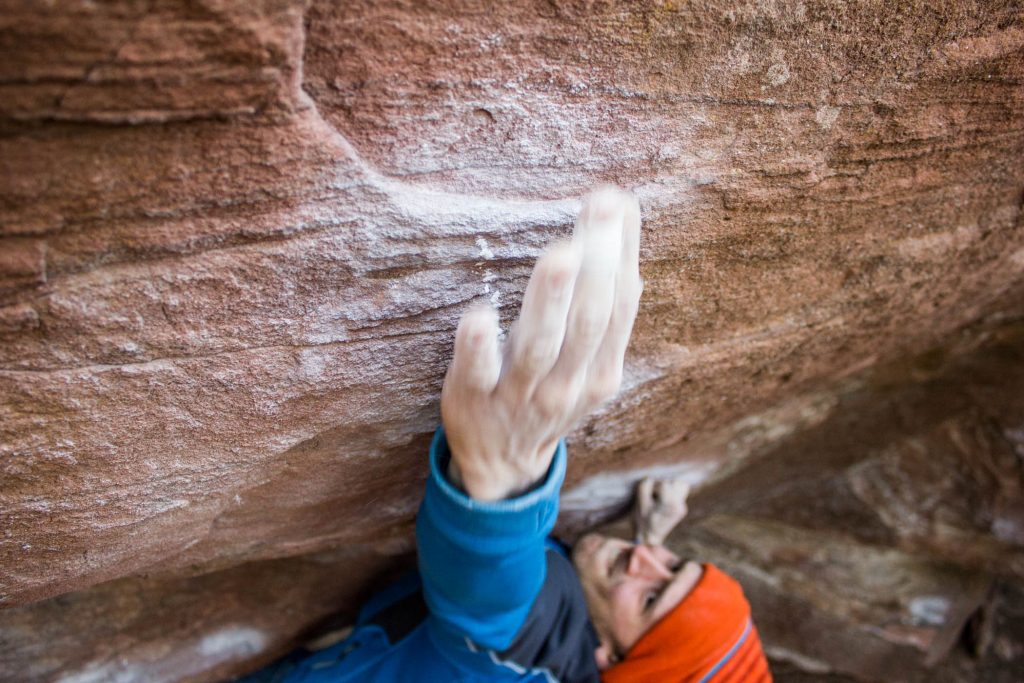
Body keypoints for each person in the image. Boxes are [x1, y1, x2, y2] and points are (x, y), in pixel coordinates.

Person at [237, 187, 771, 682]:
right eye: (675, 566)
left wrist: (503, 481)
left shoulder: (525, 659)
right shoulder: (603, 617)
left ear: (611, 660)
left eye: (652, 598)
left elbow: (495, 600)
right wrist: (651, 540)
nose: (645, 562)